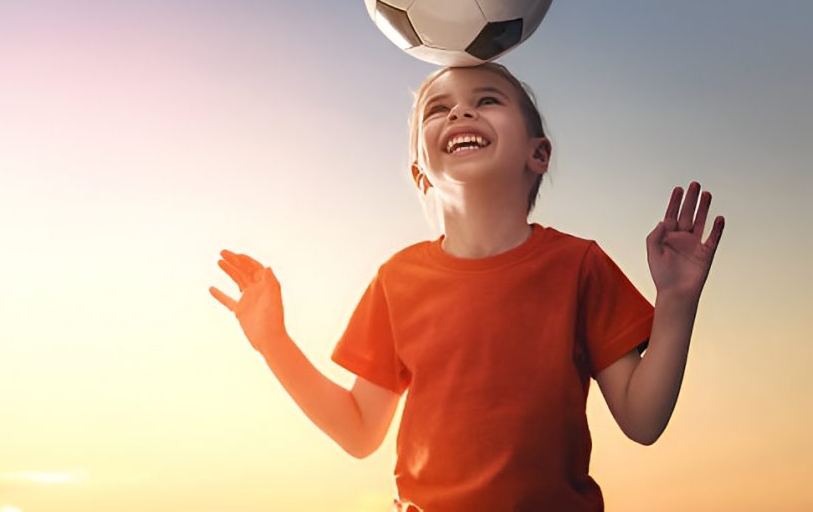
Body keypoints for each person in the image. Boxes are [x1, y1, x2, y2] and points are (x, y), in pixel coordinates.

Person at [209, 62, 725, 511]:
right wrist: (273, 343)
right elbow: (359, 430)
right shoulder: (397, 280)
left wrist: (676, 302)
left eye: (486, 101)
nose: (459, 114)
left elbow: (642, 418)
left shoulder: (579, 266)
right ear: (420, 175)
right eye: (439, 109)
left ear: (538, 153)